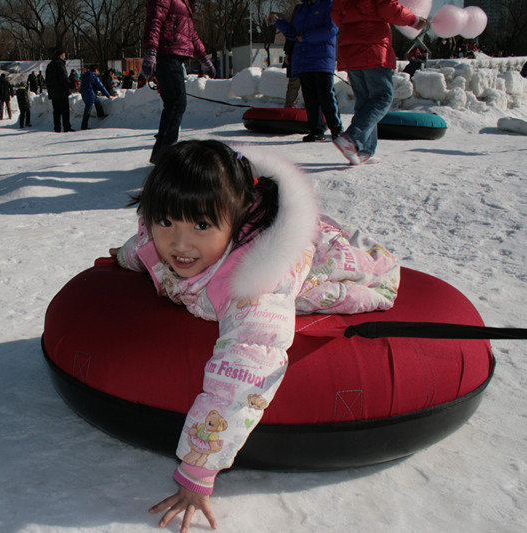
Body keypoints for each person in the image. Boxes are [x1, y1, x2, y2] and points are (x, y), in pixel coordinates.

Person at [109, 140, 399, 532]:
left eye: (201, 225)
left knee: (321, 287)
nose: (179, 244)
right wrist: (123, 259)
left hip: (326, 260)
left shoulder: (254, 287)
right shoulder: (163, 237)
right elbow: (143, 245)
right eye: (166, 222)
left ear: (236, 216)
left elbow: (242, 377)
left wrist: (197, 472)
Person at [331, 0, 427, 165]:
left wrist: (354, 26)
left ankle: (364, 151)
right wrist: (415, 21)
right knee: (383, 97)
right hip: (373, 49)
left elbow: (335, 15)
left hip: (351, 51)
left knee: (365, 102)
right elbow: (390, 8)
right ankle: (352, 137)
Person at [143, 0, 216, 163]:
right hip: (166, 54)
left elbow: (191, 34)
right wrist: (151, 51)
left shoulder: (184, 3)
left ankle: (161, 154)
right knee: (176, 103)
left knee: (174, 104)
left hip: (174, 56)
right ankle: (166, 156)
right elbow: (154, 21)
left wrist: (204, 57)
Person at [270, 1, 342, 143]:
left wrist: (305, 37)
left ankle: (337, 130)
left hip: (321, 59)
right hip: (303, 60)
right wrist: (279, 22)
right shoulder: (301, 9)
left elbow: (331, 29)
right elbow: (293, 33)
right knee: (309, 97)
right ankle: (316, 130)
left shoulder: (329, 5)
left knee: (326, 95)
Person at [45, 49, 74, 132]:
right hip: (62, 91)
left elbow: (47, 79)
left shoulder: (50, 65)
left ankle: (57, 128)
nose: (65, 56)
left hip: (53, 92)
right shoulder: (60, 64)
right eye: (64, 55)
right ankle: (66, 127)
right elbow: (64, 78)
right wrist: (71, 85)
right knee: (65, 111)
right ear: (61, 55)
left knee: (56, 111)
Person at [80, 64, 113, 130]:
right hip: (90, 94)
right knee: (87, 111)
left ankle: (100, 114)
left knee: (97, 101)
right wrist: (108, 95)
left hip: (85, 94)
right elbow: (100, 86)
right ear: (96, 70)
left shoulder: (85, 75)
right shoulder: (94, 76)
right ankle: (84, 127)